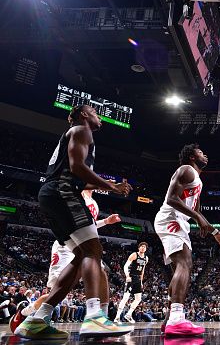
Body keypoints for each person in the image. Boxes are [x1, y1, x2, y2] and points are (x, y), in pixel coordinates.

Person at [15, 105, 133, 340]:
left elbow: (82, 176)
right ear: (83, 115)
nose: (99, 116)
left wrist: (107, 185)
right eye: (95, 112)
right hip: (63, 191)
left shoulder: (77, 134)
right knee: (93, 251)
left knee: (81, 256)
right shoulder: (82, 130)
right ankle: (94, 317)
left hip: (52, 194)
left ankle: (36, 320)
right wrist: (112, 186)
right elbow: (77, 168)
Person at [11, 189, 121, 333]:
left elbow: (89, 224)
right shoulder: (76, 190)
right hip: (66, 245)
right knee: (57, 291)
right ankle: (25, 313)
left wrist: (106, 221)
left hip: (83, 241)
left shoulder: (92, 200)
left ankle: (102, 319)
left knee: (101, 272)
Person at [154, 143, 220, 337]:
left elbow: (197, 212)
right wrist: (198, 219)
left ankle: (168, 319)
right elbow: (171, 198)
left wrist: (214, 232)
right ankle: (176, 320)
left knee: (178, 269)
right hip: (171, 218)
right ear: (192, 157)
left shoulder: (197, 180)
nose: (205, 155)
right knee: (185, 263)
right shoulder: (186, 170)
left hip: (178, 221)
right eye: (200, 152)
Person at [114, 242, 149, 323]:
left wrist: (141, 281)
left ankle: (128, 315)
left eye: (144, 247)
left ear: (146, 249)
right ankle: (117, 317)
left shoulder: (146, 258)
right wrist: (127, 276)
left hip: (137, 279)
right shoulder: (134, 255)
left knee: (138, 299)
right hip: (131, 277)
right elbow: (126, 266)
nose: (143, 248)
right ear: (139, 248)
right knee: (125, 298)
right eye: (141, 246)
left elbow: (142, 270)